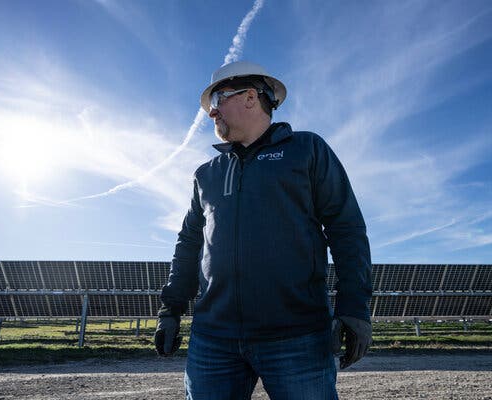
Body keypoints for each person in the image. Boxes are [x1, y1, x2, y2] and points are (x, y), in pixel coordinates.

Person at [155, 61, 372, 399]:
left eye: (219, 99)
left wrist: (354, 308)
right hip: (214, 339)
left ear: (251, 97)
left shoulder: (307, 151)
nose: (212, 113)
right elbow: (189, 243)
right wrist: (171, 309)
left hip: (298, 337)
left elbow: (347, 229)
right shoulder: (206, 174)